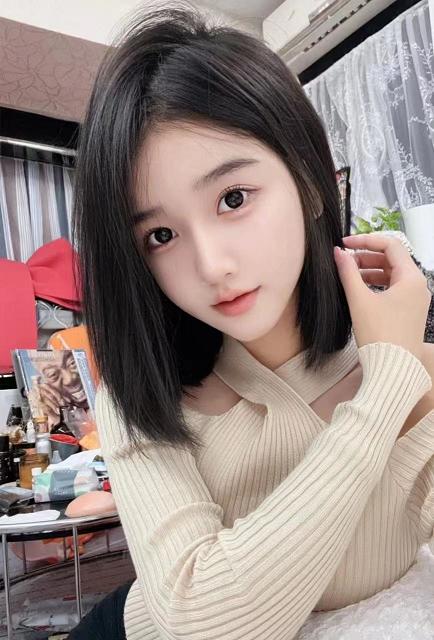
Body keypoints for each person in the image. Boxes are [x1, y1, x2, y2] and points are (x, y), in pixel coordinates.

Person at [68, 5, 434, 640]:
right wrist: (382, 394)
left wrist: (395, 371)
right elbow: (202, 626)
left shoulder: (412, 369)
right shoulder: (144, 397)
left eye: (232, 199)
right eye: (160, 235)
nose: (212, 266)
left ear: (311, 184)